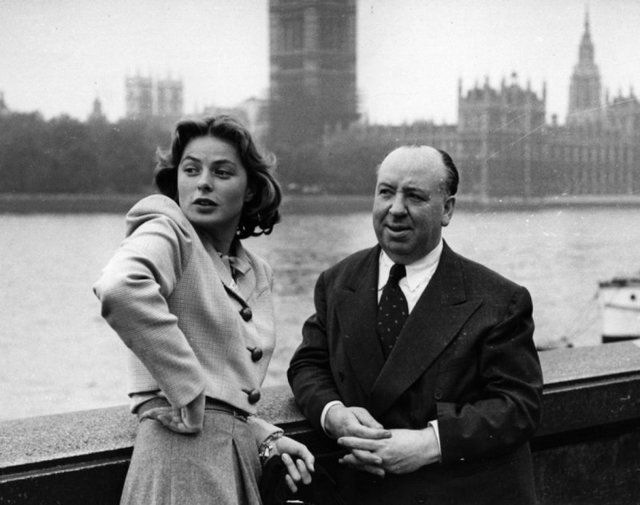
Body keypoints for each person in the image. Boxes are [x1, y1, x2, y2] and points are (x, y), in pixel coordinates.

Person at [288, 145, 543, 505]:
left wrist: (429, 443)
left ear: (447, 210)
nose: (395, 209)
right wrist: (333, 414)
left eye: (414, 196)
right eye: (386, 192)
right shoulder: (337, 281)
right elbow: (307, 364)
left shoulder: (500, 299)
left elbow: (519, 405)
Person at [94, 115, 314, 505]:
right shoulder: (167, 229)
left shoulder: (256, 270)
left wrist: (261, 432)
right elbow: (121, 287)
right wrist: (187, 389)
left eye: (222, 172)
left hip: (233, 461)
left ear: (250, 189)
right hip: (178, 461)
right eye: (191, 170)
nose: (203, 183)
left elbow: (225, 386)